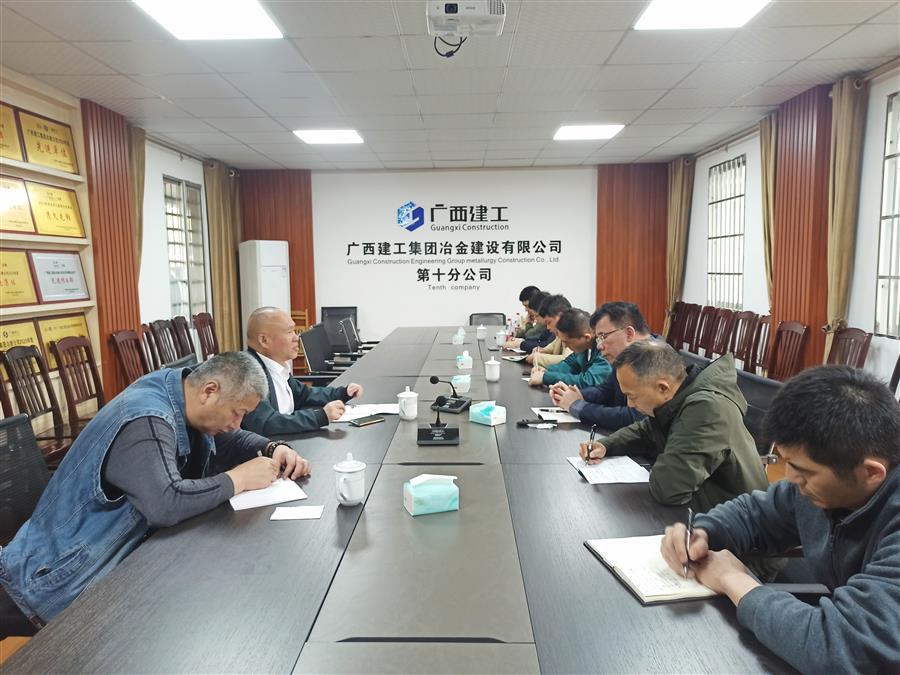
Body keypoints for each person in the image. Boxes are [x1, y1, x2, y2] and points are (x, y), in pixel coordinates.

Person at [0, 352, 311, 634]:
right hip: (50, 584)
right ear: (209, 391)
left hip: (104, 568)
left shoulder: (182, 393)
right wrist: (238, 479)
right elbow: (165, 503)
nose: (236, 424)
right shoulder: (146, 418)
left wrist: (271, 447)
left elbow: (227, 438)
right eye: (236, 413)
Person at [659, 366, 900, 672]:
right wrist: (703, 532)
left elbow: (842, 649)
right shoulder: (821, 487)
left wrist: (732, 579)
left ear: (870, 472)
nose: (791, 478)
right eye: (788, 463)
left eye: (804, 471)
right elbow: (755, 514)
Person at [581, 340, 767, 509]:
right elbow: (646, 430)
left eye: (632, 396)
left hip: (738, 522)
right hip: (705, 509)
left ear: (663, 388)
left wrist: (659, 462)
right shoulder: (680, 397)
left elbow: (668, 488)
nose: (629, 404)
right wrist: (606, 445)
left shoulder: (706, 408)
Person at [242, 307, 364, 435]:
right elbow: (268, 423)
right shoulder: (247, 374)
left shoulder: (277, 367)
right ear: (264, 340)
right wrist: (320, 416)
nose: (296, 337)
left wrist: (342, 393)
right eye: (289, 332)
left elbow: (305, 395)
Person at [550, 301, 651, 430]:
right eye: (598, 338)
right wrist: (577, 395)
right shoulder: (625, 356)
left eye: (604, 336)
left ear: (629, 334)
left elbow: (634, 417)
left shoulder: (655, 360)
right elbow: (605, 390)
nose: (599, 346)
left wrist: (576, 406)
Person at [529, 308, 612, 389]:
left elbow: (588, 381)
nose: (565, 346)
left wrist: (546, 377)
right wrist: (547, 371)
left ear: (587, 337)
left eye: (567, 342)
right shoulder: (584, 348)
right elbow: (569, 364)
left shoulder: (605, 350)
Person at [524, 294, 572, 366]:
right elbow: (553, 346)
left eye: (549, 322)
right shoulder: (560, 334)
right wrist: (542, 350)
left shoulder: (574, 332)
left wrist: (537, 357)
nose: (548, 328)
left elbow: (567, 360)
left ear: (560, 317)